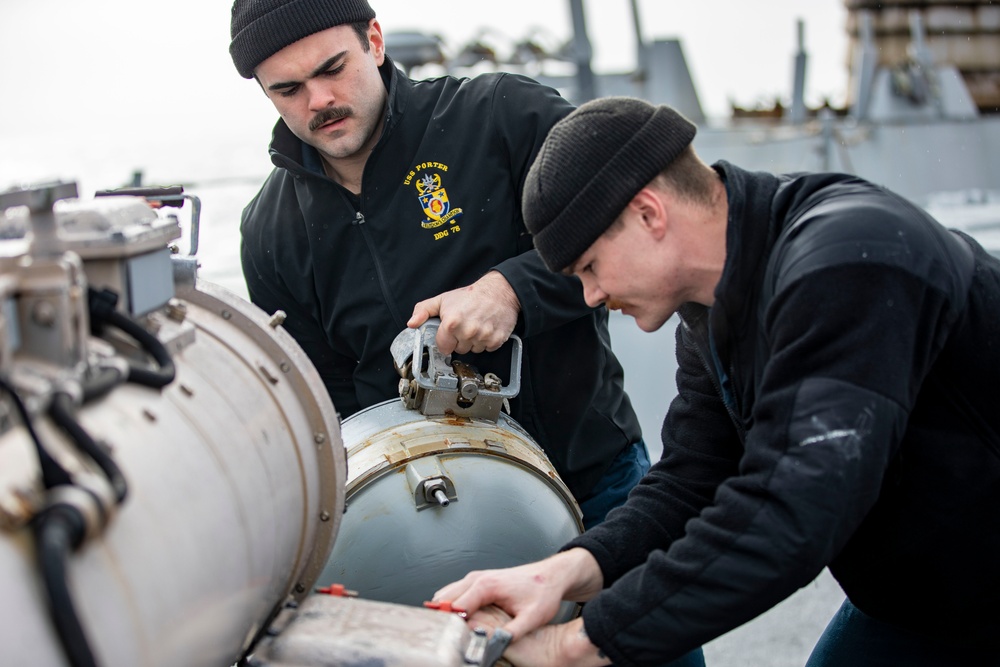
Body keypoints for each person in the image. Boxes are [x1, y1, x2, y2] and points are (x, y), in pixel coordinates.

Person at [434, 96, 1000, 667]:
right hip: (923, 601)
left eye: (589, 267)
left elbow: (794, 506)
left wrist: (581, 645)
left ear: (649, 213)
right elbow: (692, 480)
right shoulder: (710, 309)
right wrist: (562, 572)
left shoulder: (849, 259)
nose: (591, 296)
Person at [226, 0, 675, 546]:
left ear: (373, 39)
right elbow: (328, 404)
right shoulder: (269, 230)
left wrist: (511, 290)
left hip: (594, 483)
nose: (319, 100)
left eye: (332, 68)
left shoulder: (504, 114)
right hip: (424, 520)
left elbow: (622, 228)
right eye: (288, 89)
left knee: (649, 628)